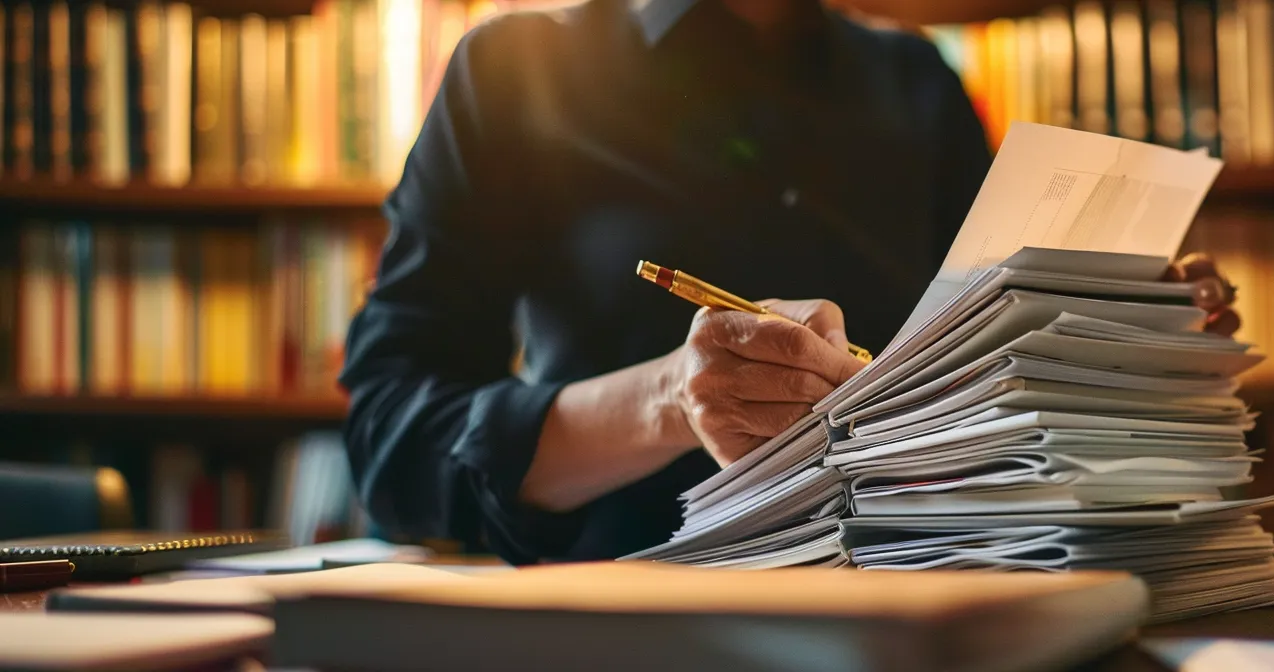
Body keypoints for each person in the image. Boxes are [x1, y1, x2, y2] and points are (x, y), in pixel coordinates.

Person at [337, 0, 991, 564]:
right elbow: (393, 442)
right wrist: (667, 401)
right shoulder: (513, 73)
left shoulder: (922, 86)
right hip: (627, 631)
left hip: (911, 617)